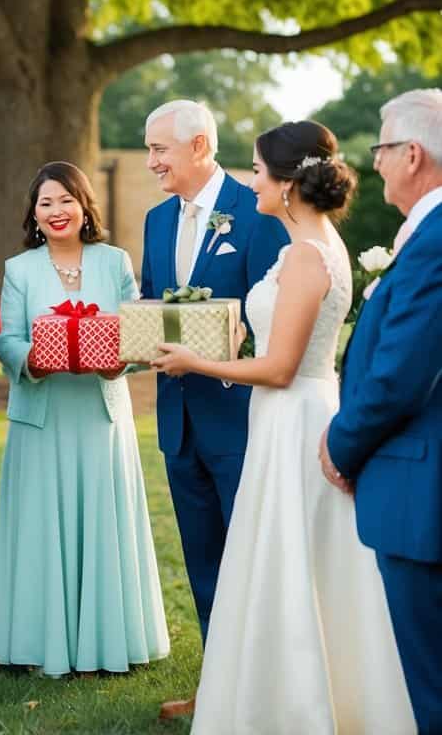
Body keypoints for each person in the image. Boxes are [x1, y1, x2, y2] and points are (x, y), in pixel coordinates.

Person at [156, 121, 415, 734]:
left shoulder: (304, 255)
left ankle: (295, 707)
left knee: (293, 557)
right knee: (300, 560)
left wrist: (194, 360)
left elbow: (278, 369)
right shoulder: (314, 245)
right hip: (295, 412)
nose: (249, 184)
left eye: (255, 171)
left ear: (287, 183)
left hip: (295, 418)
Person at [0, 161, 170, 677]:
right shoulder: (19, 269)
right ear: (34, 215)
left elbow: (136, 331)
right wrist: (33, 359)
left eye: (65, 200)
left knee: (102, 524)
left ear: (83, 205)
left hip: (99, 415)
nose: (56, 211)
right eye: (45, 204)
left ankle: (106, 645)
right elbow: (7, 339)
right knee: (42, 527)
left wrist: (124, 360)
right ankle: (38, 644)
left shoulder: (114, 262)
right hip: (41, 419)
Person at [141, 100, 287, 720]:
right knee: (204, 560)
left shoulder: (259, 212)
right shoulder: (153, 220)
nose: (151, 162)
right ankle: (218, 690)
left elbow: (277, 316)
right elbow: (152, 305)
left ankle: (272, 692)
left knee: (255, 560)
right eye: (147, 150)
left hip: (242, 418)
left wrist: (211, 346)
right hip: (177, 420)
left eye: (158, 150)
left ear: (199, 145)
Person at [323, 89, 442, 735]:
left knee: (431, 685)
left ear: (412, 154)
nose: (373, 165)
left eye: (380, 149)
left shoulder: (434, 239)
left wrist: (339, 446)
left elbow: (400, 376)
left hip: (421, 490)